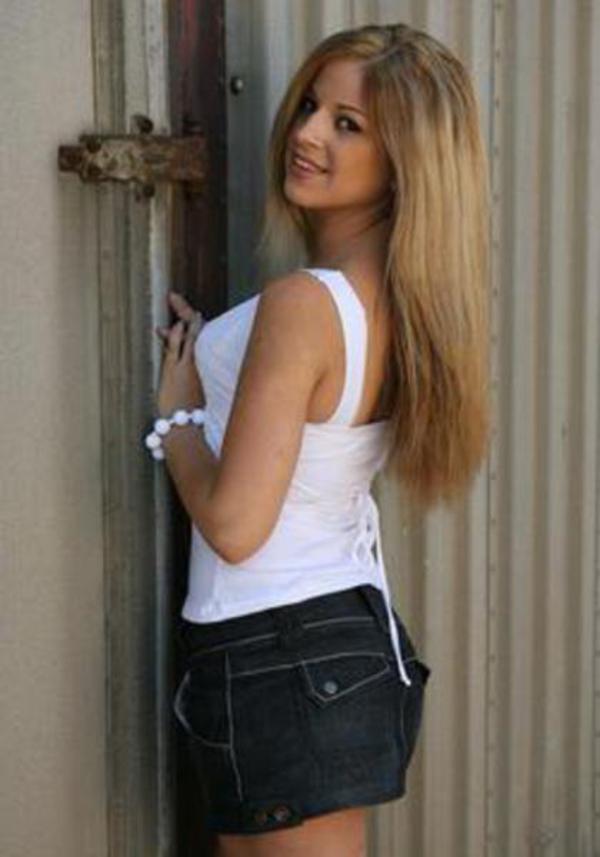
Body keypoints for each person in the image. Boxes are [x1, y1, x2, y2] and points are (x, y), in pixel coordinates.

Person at [149, 21, 490, 857]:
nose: (305, 134)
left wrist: (178, 415)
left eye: (348, 124)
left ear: (404, 161)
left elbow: (236, 525)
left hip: (279, 647)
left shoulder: (307, 303)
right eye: (310, 106)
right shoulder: (399, 303)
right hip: (327, 638)